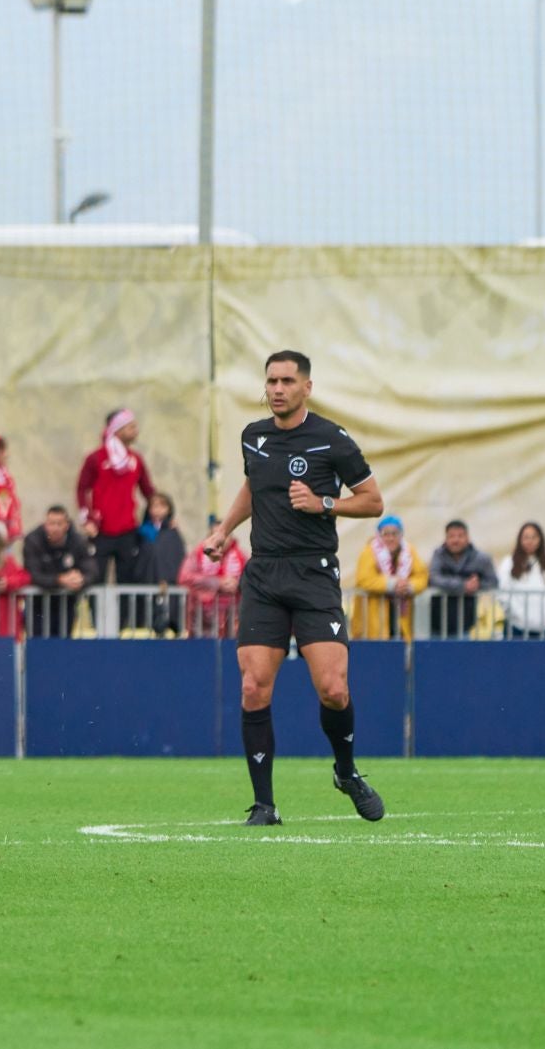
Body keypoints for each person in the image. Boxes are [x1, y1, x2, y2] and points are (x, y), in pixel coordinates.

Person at [201, 350, 386, 826]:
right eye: (271, 381)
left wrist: (323, 502)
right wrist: (224, 530)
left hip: (313, 573)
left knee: (333, 688)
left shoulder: (331, 440)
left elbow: (372, 502)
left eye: (287, 380)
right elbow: (253, 488)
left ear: (307, 387)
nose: (277, 389)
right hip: (264, 574)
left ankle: (345, 772)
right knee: (252, 689)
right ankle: (265, 805)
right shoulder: (253, 437)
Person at [76, 409, 157, 592]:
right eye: (131, 427)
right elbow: (82, 489)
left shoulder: (136, 460)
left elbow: (149, 492)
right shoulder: (96, 458)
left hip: (127, 530)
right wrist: (86, 519)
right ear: (118, 430)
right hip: (100, 531)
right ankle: (99, 621)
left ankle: (123, 621)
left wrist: (165, 516)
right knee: (97, 581)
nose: (136, 430)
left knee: (127, 582)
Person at [22, 505, 97, 638]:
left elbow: (91, 570)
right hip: (38, 604)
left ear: (66, 525)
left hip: (66, 603)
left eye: (59, 524)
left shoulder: (78, 541)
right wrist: (59, 580)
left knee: (62, 646)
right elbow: (32, 574)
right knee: (37, 645)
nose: (55, 528)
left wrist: (81, 579)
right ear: (45, 524)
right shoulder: (33, 540)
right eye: (51, 523)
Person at [350, 516, 426, 641]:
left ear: (401, 534)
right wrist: (392, 584)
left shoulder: (409, 551)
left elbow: (422, 576)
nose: (390, 538)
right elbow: (364, 579)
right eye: (386, 534)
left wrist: (409, 585)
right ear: (379, 535)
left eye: (394, 533)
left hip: (401, 618)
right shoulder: (369, 552)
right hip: (375, 619)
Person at [427, 519, 498, 639]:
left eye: (460, 536)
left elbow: (493, 582)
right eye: (451, 536)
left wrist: (477, 585)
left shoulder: (481, 559)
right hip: (439, 624)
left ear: (468, 537)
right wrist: (463, 586)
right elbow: (433, 578)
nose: (456, 540)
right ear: (446, 538)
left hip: (470, 625)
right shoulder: (438, 555)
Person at [497, 521, 545, 640]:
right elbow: (503, 592)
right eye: (526, 537)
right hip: (516, 627)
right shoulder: (508, 563)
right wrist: (517, 615)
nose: (530, 541)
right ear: (520, 540)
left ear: (540, 540)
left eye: (534, 537)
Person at [180, 516, 246, 638]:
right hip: (201, 622)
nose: (220, 541)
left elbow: (252, 580)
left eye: (224, 536)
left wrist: (237, 584)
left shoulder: (241, 556)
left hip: (232, 624)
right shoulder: (198, 553)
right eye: (215, 536)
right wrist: (217, 583)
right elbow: (185, 577)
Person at [137, 493, 186, 636]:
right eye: (154, 506)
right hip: (147, 583)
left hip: (168, 585)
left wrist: (167, 578)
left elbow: (175, 557)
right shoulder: (142, 533)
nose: (157, 510)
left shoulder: (172, 533)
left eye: (162, 505)